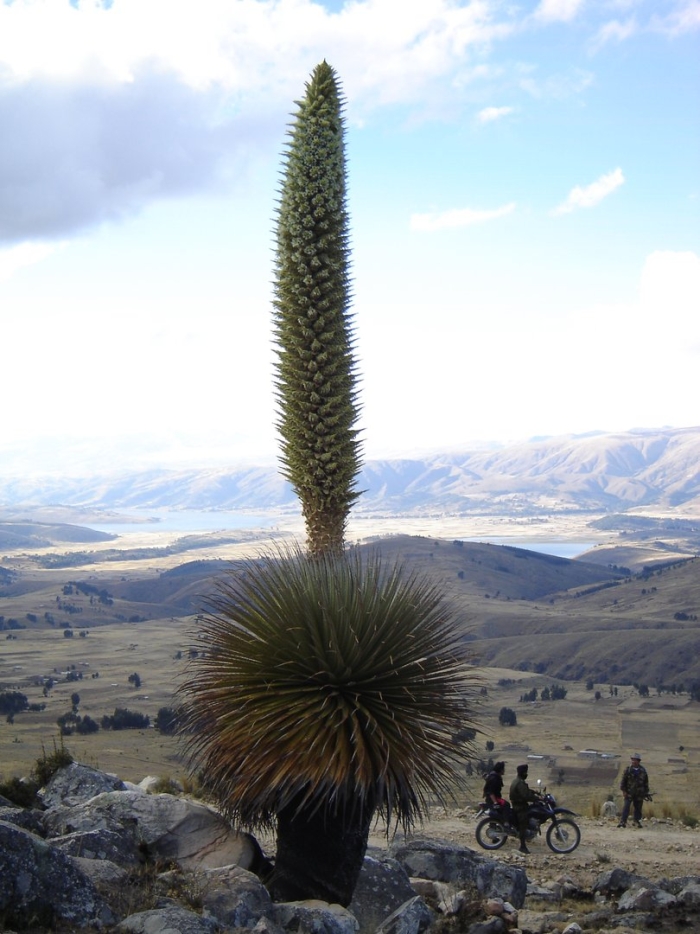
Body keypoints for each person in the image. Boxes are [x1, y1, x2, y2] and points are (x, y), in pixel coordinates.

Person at [509, 763, 539, 854]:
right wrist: (537, 798)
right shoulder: (519, 783)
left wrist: (534, 792)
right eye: (525, 772)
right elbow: (525, 795)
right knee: (523, 824)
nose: (526, 774)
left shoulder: (518, 781)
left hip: (519, 805)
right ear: (522, 773)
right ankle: (522, 846)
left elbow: (525, 791)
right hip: (520, 807)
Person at [618, 753, 650, 828]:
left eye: (635, 760)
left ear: (638, 761)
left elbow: (646, 782)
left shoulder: (643, 771)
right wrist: (624, 791)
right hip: (629, 792)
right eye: (632, 760)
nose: (633, 761)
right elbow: (623, 781)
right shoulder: (628, 770)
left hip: (639, 793)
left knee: (638, 808)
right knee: (626, 807)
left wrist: (646, 792)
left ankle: (636, 821)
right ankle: (623, 821)